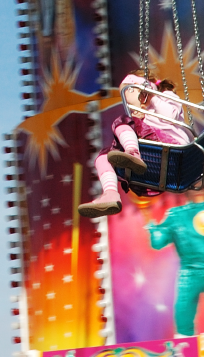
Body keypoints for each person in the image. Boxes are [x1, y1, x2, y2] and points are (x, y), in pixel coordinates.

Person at [80, 76, 191, 217]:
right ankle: (110, 194)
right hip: (153, 170)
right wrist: (140, 116)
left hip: (173, 151)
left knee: (122, 121)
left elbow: (170, 114)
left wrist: (152, 96)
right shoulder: (140, 117)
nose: (127, 97)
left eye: (130, 89)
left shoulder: (165, 96)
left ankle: (132, 153)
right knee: (103, 156)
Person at [147, 188, 204, 337]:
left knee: (184, 325)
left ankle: (186, 349)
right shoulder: (176, 215)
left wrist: (153, 228)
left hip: (190, 274)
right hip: (189, 273)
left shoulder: (176, 215)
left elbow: (157, 242)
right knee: (184, 321)